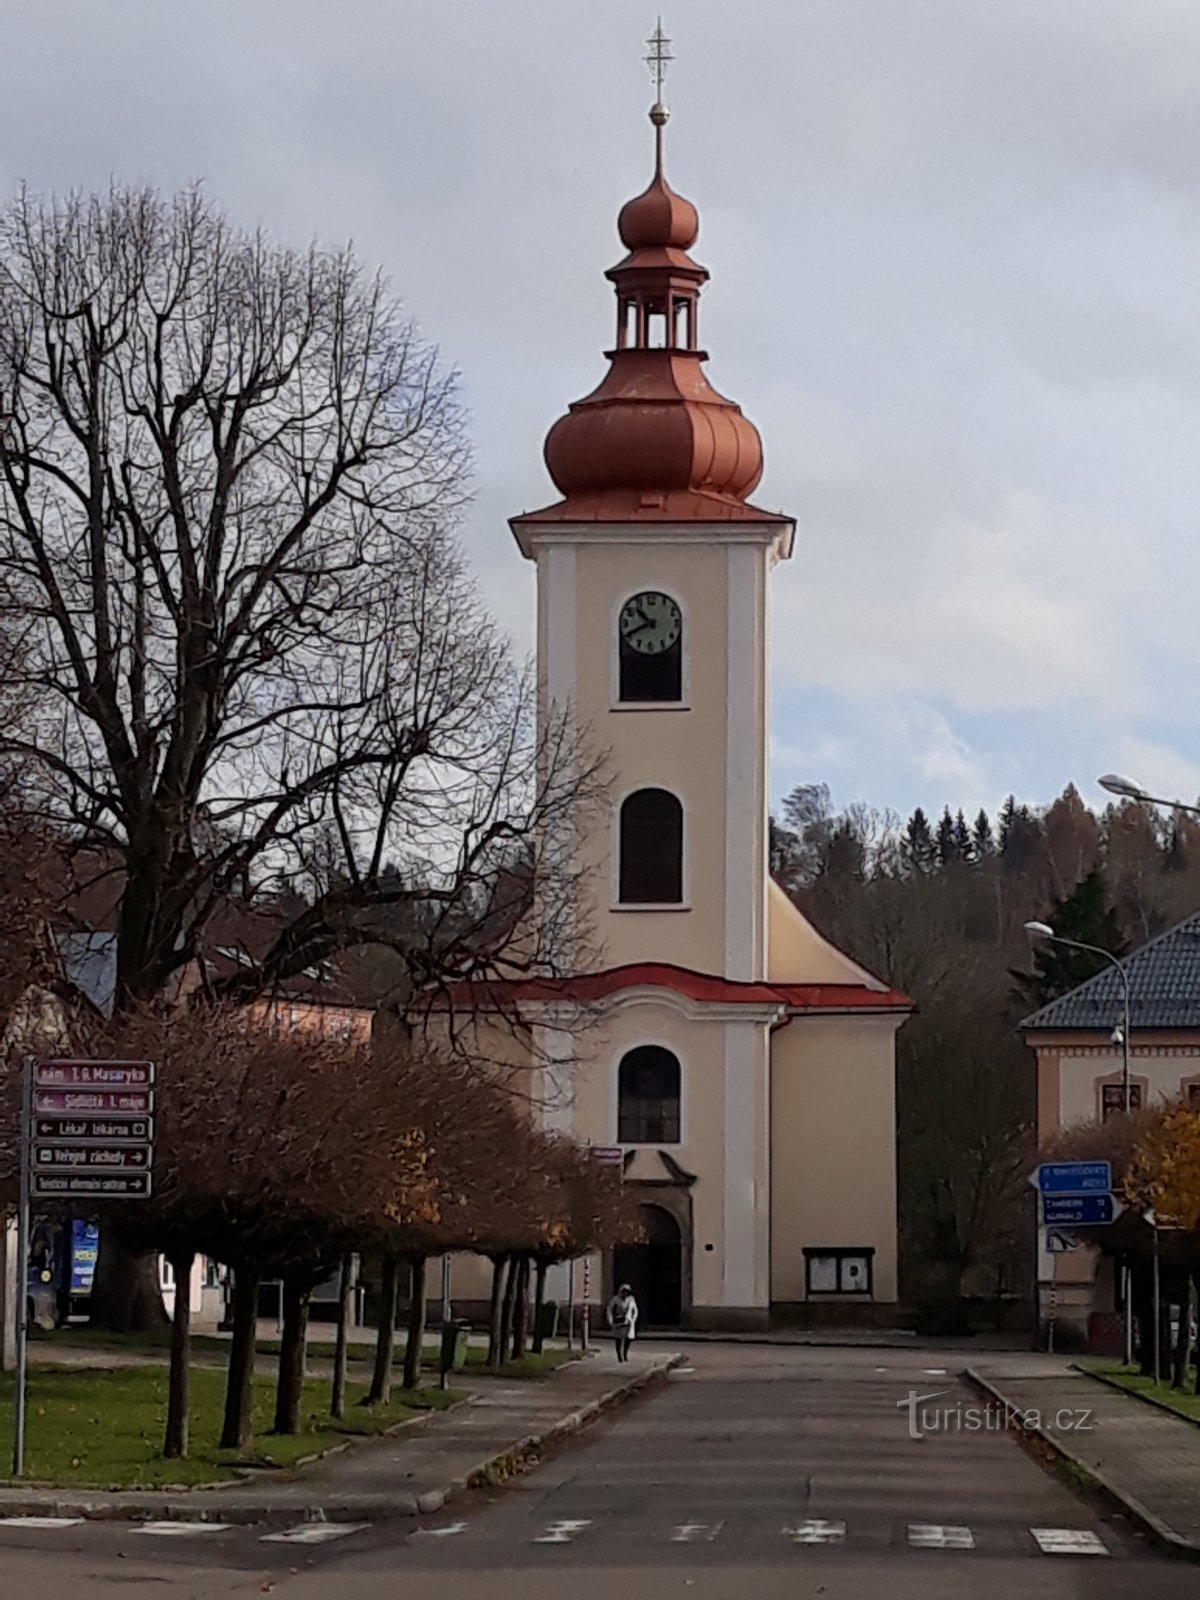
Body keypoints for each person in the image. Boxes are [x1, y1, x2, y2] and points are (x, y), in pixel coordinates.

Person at [607, 1283, 638, 1362]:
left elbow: (635, 1310)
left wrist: (633, 1319)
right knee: (618, 1339)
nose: (625, 1294)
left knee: (628, 1338)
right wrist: (611, 1321)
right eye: (624, 1292)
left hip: (628, 1322)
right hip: (618, 1321)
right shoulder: (615, 1299)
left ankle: (625, 1353)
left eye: (627, 1292)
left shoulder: (631, 1299)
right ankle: (619, 1355)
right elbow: (609, 1310)